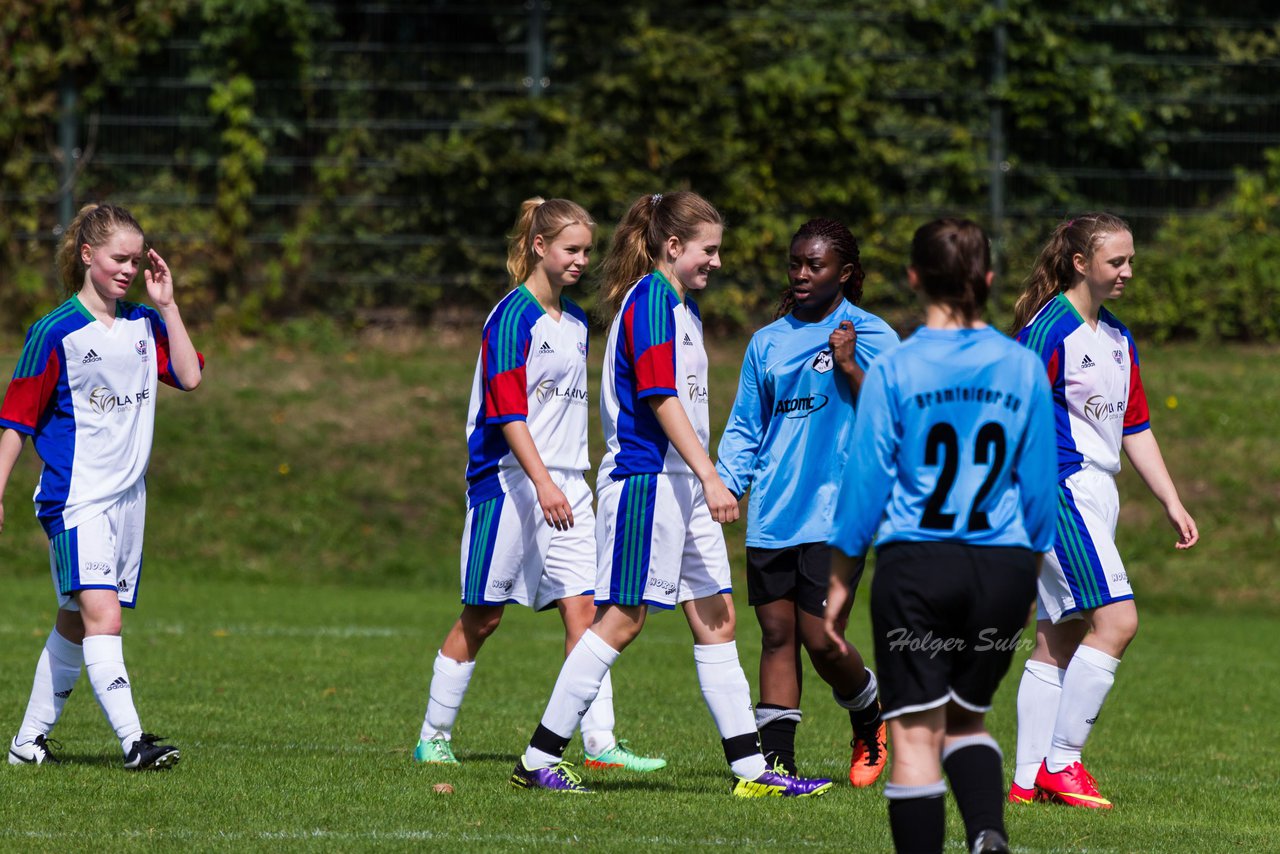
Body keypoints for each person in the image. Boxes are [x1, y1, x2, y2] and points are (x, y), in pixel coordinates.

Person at [510, 190, 831, 797]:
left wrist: (702, 479)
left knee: (717, 616)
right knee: (623, 620)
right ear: (673, 246)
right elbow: (660, 399)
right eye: (708, 250)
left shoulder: (683, 307)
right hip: (647, 483)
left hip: (682, 487)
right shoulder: (651, 303)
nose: (717, 261)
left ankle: (752, 772)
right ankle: (537, 758)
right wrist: (711, 475)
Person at [824, 218, 1057, 853]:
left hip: (919, 567)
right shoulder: (1024, 367)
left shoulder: (897, 368)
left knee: (914, 734)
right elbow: (1041, 493)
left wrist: (840, 586)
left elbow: (864, 487)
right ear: (986, 280)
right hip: (1003, 567)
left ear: (913, 277)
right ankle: (985, 832)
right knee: (967, 718)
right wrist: (1027, 578)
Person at [413, 197, 664, 774]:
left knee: (587, 612)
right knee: (484, 617)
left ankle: (600, 744)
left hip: (568, 487)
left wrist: (565, 480)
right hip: (509, 485)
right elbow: (506, 412)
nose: (581, 261)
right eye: (571, 250)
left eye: (585, 251)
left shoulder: (576, 322)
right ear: (538, 247)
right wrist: (542, 481)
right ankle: (433, 735)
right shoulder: (509, 317)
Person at [1, 202, 204, 770]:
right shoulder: (55, 331)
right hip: (76, 499)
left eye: (137, 260)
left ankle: (26, 743)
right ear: (87, 255)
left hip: (127, 504)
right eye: (119, 257)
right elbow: (15, 419)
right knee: (104, 618)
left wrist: (169, 305)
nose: (129, 269)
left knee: (75, 620)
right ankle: (135, 744)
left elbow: (189, 376)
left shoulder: (144, 324)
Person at [1008, 213, 1199, 809]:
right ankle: (1063, 765)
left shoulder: (1116, 337)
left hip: (1098, 493)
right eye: (1116, 262)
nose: (1127, 272)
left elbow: (1134, 424)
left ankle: (1023, 780)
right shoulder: (1048, 330)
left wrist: (1170, 499)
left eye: (1130, 260)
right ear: (1080, 264)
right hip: (1058, 489)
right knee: (1117, 623)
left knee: (1058, 638)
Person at [716, 217, 899, 785]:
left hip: (838, 513)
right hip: (774, 511)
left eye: (813, 265)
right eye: (794, 263)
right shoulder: (766, 342)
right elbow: (747, 426)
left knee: (822, 639)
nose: (800, 274)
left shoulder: (872, 335)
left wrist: (848, 365)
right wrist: (725, 483)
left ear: (843, 274)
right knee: (776, 636)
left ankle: (869, 712)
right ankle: (777, 767)